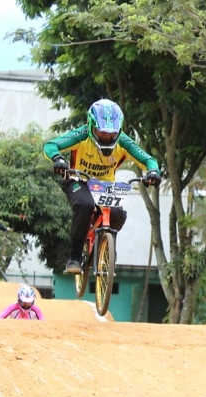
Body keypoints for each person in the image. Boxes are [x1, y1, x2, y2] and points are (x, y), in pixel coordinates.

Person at [43, 98, 162, 274]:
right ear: (91, 126)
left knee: (118, 214)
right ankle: (75, 257)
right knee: (85, 205)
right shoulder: (82, 134)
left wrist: (153, 171)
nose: (107, 137)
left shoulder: (124, 142)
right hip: (78, 178)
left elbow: (148, 160)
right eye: (102, 132)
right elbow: (51, 145)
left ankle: (106, 245)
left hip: (105, 185)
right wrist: (58, 159)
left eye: (111, 133)